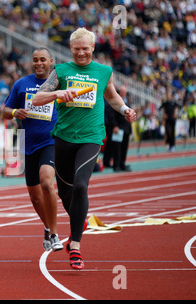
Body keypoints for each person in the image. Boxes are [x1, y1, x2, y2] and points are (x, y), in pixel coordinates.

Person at [32, 28, 136, 270]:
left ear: (92, 48)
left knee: (81, 185)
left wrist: (125, 110)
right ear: (71, 49)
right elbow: (37, 99)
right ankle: (81, 220)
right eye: (76, 48)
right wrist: (58, 92)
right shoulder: (61, 71)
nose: (81, 52)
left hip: (91, 137)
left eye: (85, 48)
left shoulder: (103, 72)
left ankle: (75, 245)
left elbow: (111, 98)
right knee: (65, 193)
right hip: (63, 137)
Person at [2, 47, 63, 252]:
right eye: (35, 60)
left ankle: (54, 234)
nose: (38, 63)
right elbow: (4, 111)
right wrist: (14, 112)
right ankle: (47, 226)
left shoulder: (60, 83)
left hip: (51, 141)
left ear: (51, 62)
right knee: (35, 197)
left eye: (43, 60)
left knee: (47, 181)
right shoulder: (22, 84)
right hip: (27, 145)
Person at [104, 85, 132, 172]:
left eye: (124, 92)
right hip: (118, 128)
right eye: (121, 92)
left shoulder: (127, 102)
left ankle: (122, 164)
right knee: (117, 148)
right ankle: (116, 165)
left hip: (126, 128)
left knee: (124, 147)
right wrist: (114, 126)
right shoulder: (115, 102)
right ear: (118, 92)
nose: (123, 93)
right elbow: (111, 114)